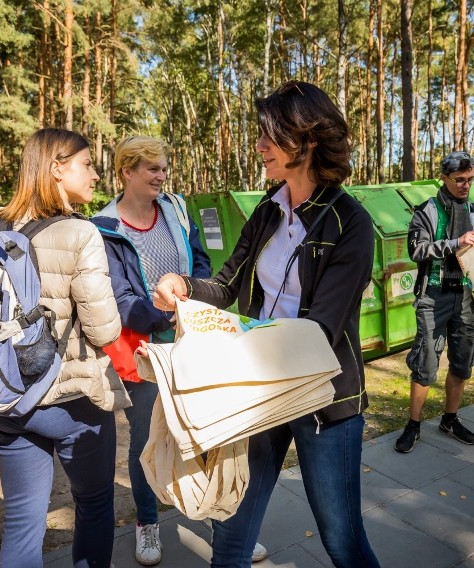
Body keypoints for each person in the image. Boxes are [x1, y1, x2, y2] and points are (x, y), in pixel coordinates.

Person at [151, 80, 380, 568]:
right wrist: (185, 287)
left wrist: (233, 346)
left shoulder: (350, 222)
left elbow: (321, 332)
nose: (260, 146)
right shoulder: (268, 208)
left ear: (309, 140)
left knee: (340, 537)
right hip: (259, 390)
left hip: (325, 398)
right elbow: (227, 284)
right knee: (231, 528)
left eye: (271, 136)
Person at [92, 136, 267, 565]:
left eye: (163, 167)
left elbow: (202, 263)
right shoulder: (102, 226)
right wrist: (164, 317)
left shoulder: (175, 209)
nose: (161, 175)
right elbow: (117, 297)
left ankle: (212, 512)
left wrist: (195, 298)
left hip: (194, 339)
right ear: (126, 171)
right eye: (151, 168)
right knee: (146, 438)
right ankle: (147, 523)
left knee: (205, 429)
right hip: (143, 349)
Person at [0, 128, 131, 567]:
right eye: (87, 164)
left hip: (5, 393)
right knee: (95, 505)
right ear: (58, 168)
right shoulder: (82, 234)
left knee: (23, 523)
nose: (96, 175)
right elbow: (101, 329)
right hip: (70, 397)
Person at [394, 151, 474, 453]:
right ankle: (413, 425)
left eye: (470, 179)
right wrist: (455, 242)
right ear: (444, 178)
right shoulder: (427, 210)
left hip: (469, 297)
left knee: (463, 361)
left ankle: (450, 419)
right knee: (426, 362)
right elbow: (417, 251)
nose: (466, 186)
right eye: (459, 180)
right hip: (434, 296)